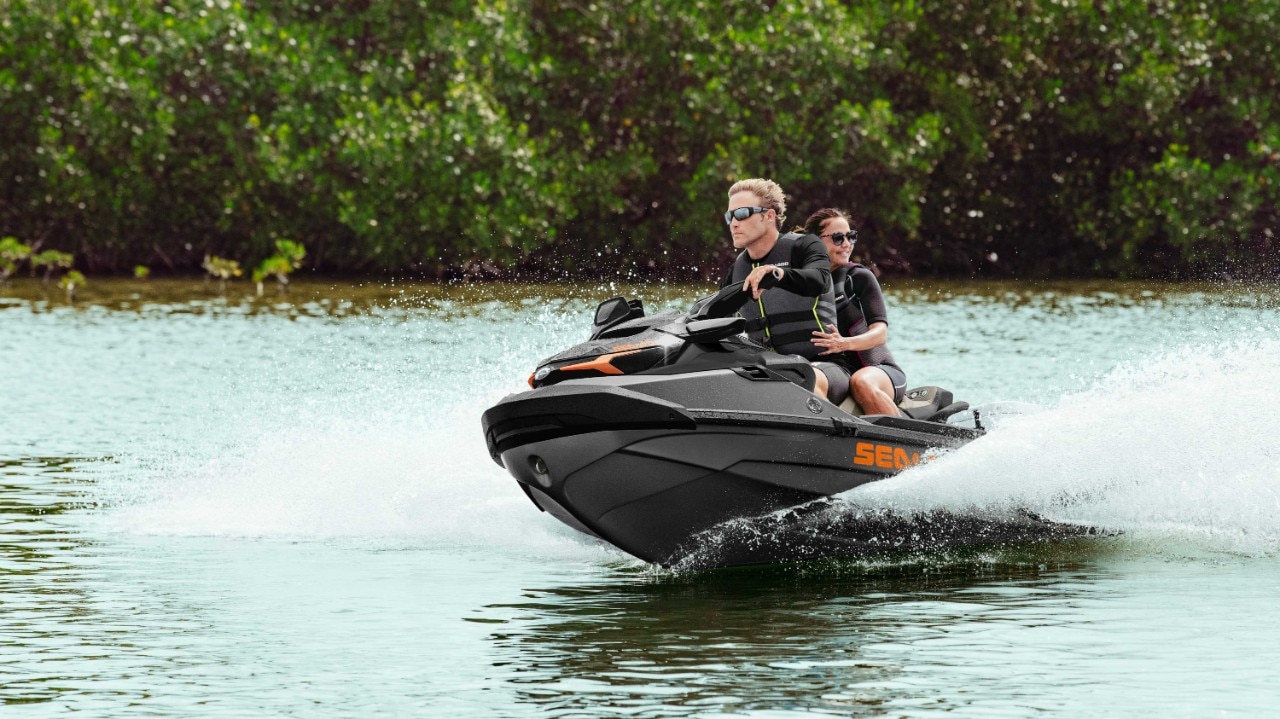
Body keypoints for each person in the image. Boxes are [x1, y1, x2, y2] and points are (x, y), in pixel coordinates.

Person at [719, 178, 838, 397]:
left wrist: (776, 273)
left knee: (804, 378)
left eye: (742, 213)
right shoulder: (736, 270)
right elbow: (714, 318)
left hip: (826, 365)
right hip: (769, 370)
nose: (733, 223)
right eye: (730, 216)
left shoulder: (805, 245)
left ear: (769, 216)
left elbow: (819, 279)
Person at [804, 208, 907, 415]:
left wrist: (844, 343)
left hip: (878, 371)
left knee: (861, 382)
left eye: (851, 237)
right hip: (836, 374)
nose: (846, 244)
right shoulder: (801, 281)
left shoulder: (858, 277)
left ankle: (904, 440)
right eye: (838, 238)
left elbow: (880, 333)